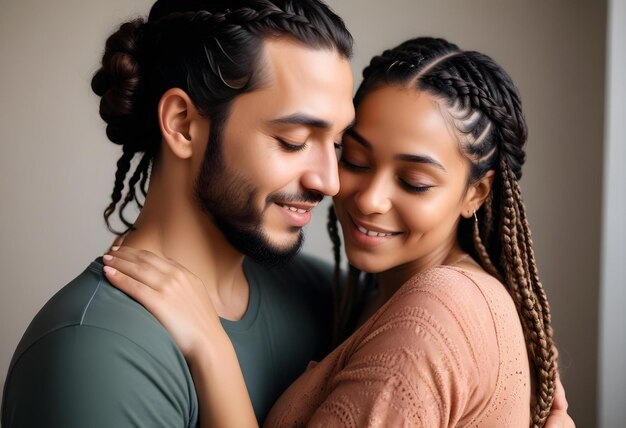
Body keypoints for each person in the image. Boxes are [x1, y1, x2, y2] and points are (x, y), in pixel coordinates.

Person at [101, 37, 575, 427]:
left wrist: (211, 349)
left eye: (414, 182)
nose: (368, 198)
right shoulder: (367, 297)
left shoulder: (440, 308)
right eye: (354, 159)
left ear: (476, 193)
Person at [1, 1, 355, 426]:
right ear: (183, 123)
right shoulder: (96, 353)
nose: (330, 182)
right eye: (294, 140)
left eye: (336, 144)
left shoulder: (320, 295)